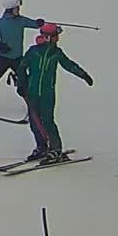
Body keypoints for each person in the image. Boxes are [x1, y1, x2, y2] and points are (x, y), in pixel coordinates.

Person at [19, 23, 93, 162]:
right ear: (49, 37)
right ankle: (41, 146)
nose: (57, 39)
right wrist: (22, 84)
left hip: (47, 93)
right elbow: (22, 66)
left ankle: (56, 149)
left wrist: (84, 75)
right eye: (56, 36)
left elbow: (69, 65)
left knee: (48, 121)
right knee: (34, 122)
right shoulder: (33, 51)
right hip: (32, 92)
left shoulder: (56, 53)